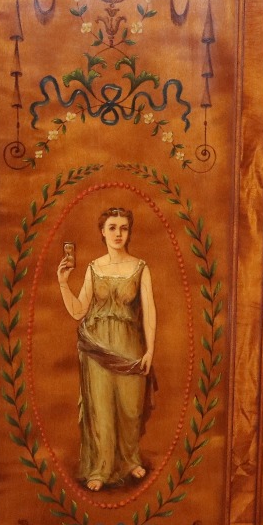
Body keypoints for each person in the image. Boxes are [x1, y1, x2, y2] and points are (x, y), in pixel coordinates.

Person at [56, 207, 156, 491]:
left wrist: (150, 352)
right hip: (96, 350)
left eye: (123, 227)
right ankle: (100, 467)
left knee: (129, 407)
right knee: (100, 407)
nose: (118, 234)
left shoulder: (140, 267)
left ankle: (129, 459)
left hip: (129, 347)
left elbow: (149, 312)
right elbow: (78, 311)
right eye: (112, 227)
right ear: (102, 231)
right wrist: (63, 283)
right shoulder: (93, 267)